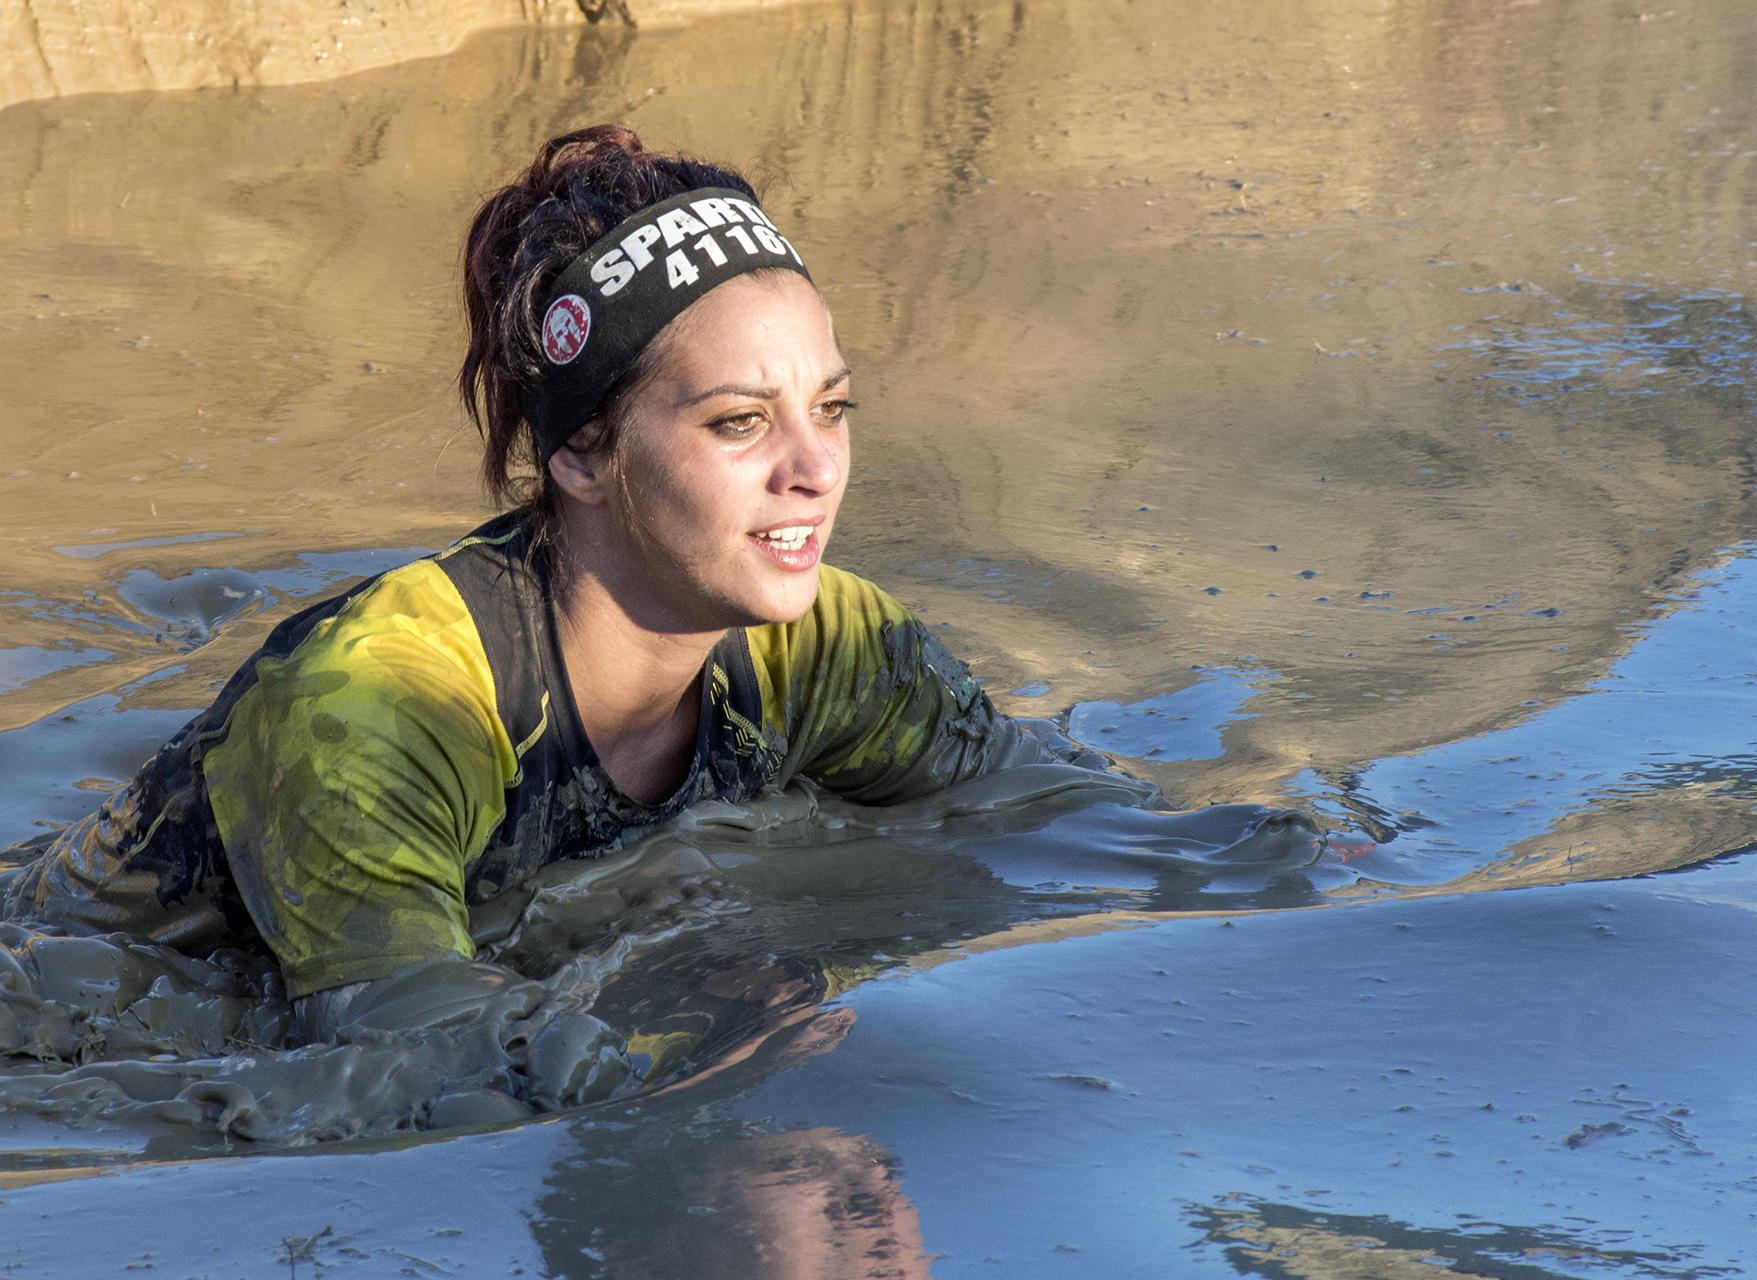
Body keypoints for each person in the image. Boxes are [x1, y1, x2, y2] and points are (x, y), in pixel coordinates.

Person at [0, 125, 1045, 1075]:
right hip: (70, 1016)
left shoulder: (829, 646)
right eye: (739, 422)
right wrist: (693, 1057)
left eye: (833, 406)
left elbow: (1062, 815)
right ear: (581, 454)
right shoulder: (379, 703)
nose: (815, 468)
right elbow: (407, 1055)